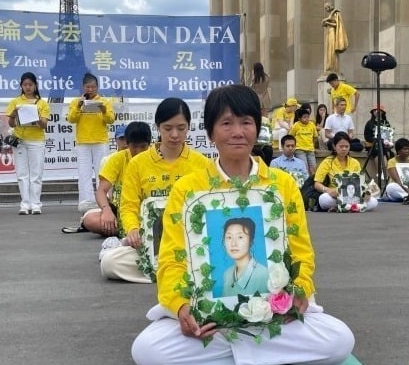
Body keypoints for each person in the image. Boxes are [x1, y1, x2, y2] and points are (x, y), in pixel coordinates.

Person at [132, 84, 354, 365]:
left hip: (274, 317)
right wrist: (182, 307)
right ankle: (260, 353)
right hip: (211, 322)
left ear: (256, 128)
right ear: (211, 133)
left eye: (246, 122)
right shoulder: (187, 190)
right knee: (148, 350)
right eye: (226, 123)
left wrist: (299, 289)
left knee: (339, 340)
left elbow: (301, 252)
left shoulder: (282, 185)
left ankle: (235, 354)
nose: (238, 132)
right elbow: (171, 261)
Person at [101, 98, 210, 283]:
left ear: (189, 127)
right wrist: (133, 229)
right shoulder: (138, 163)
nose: (175, 134)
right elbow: (128, 206)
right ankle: (174, 274)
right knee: (110, 263)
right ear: (158, 127)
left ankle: (165, 273)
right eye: (168, 128)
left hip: (190, 244)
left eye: (181, 128)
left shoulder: (201, 164)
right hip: (149, 244)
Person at [81, 122, 151, 238]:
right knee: (90, 220)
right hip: (121, 212)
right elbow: (101, 191)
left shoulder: (156, 158)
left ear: (149, 144)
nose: (139, 152)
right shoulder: (117, 159)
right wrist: (106, 210)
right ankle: (134, 231)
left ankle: (131, 231)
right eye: (134, 146)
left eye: (143, 146)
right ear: (127, 144)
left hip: (148, 211)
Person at [67, 73, 115, 213]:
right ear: (83, 87)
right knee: (84, 173)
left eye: (93, 87)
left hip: (100, 141)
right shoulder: (76, 102)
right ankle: (85, 202)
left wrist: (104, 111)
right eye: (88, 87)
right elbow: (71, 119)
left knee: (102, 172)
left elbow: (111, 119)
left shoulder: (104, 102)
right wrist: (79, 106)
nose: (90, 89)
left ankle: (104, 202)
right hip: (83, 142)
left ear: (97, 87)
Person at [5, 72, 51, 215]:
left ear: (35, 85)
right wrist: (13, 114)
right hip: (20, 140)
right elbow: (11, 123)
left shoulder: (42, 103)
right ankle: (25, 204)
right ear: (21, 86)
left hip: (37, 140)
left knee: (36, 174)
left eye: (30, 84)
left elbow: (44, 125)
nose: (28, 87)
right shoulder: (16, 102)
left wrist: (35, 115)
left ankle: (36, 204)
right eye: (25, 85)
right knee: (22, 174)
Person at [314, 132, 378, 211]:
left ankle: (342, 208)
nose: (344, 149)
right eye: (341, 146)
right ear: (334, 146)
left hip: (355, 197)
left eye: (346, 146)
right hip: (336, 196)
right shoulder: (327, 162)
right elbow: (317, 184)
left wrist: (366, 193)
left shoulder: (355, 162)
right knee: (323, 199)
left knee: (374, 202)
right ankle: (353, 208)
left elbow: (361, 183)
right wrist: (328, 190)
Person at [221, 217, 268, 297]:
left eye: (240, 237)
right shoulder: (227, 274)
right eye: (229, 237)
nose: (233, 244)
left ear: (251, 241)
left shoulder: (265, 274)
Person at [385, 138, 409, 203]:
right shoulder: (392, 162)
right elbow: (396, 179)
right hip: (399, 186)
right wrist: (407, 190)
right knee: (390, 187)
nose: (407, 151)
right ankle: (408, 197)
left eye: (408, 149)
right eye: (404, 149)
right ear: (398, 150)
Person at [289, 107, 317, 174]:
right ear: (299, 118)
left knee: (314, 167)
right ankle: (305, 182)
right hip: (299, 149)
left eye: (308, 117)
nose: (307, 119)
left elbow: (315, 137)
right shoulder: (296, 125)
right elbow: (291, 136)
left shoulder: (312, 124)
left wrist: (313, 146)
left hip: (310, 149)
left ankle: (313, 182)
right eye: (304, 117)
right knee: (304, 166)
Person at [322, 3, 349, 74]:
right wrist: (327, 21)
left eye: (327, 8)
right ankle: (328, 68)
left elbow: (337, 24)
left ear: (329, 6)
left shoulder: (336, 13)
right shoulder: (332, 13)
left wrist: (328, 22)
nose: (326, 10)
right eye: (325, 9)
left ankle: (333, 68)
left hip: (333, 33)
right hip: (328, 34)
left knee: (332, 50)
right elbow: (323, 22)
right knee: (328, 51)